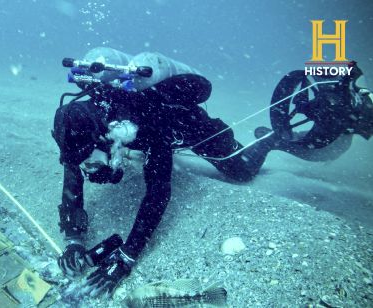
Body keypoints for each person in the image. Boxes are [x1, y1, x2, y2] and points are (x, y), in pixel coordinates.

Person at [51, 50, 274, 297]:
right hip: (136, 135)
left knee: (243, 171)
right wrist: (73, 239)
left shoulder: (147, 122)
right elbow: (72, 170)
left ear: (105, 140)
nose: (88, 169)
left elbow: (158, 191)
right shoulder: (81, 124)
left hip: (191, 128)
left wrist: (127, 256)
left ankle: (272, 139)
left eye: (90, 163)